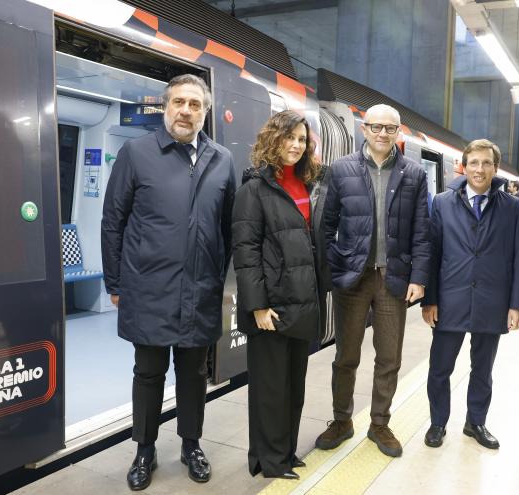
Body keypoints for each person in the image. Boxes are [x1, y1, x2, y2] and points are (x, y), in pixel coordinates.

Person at [101, 74, 237, 491]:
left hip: (200, 289)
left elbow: (228, 227)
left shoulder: (222, 160)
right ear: (165, 107)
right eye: (178, 102)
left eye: (195, 105)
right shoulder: (136, 153)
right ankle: (144, 449)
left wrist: (216, 275)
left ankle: (191, 444)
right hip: (148, 287)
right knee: (149, 371)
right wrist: (116, 282)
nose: (186, 110)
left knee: (194, 372)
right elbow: (113, 222)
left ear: (205, 113)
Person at [316, 104, 430, 458]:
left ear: (399, 133)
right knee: (345, 355)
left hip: (393, 279)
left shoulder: (413, 173)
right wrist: (337, 265)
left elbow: (422, 231)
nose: (382, 134)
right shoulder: (341, 169)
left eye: (390, 129)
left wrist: (419, 277)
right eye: (376, 127)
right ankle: (342, 420)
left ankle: (380, 423)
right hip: (353, 278)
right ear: (364, 130)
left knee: (389, 358)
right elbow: (326, 224)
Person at [232, 110, 331, 480]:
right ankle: (271, 461)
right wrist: (257, 306)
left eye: (302, 140)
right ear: (273, 139)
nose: (295, 145)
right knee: (270, 391)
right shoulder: (253, 190)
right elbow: (246, 253)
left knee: (293, 387)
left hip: (303, 303)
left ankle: (283, 453)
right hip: (271, 307)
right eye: (289, 137)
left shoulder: (308, 184)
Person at [421, 139, 519, 450]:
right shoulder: (442, 203)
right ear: (463, 166)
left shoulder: (511, 207)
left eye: (486, 163)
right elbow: (433, 253)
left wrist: (516, 304)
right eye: (474, 163)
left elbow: (518, 257)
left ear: (495, 168)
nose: (479, 169)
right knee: (440, 367)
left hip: (492, 300)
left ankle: (475, 422)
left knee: (483, 368)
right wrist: (429, 299)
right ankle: (438, 423)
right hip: (450, 299)